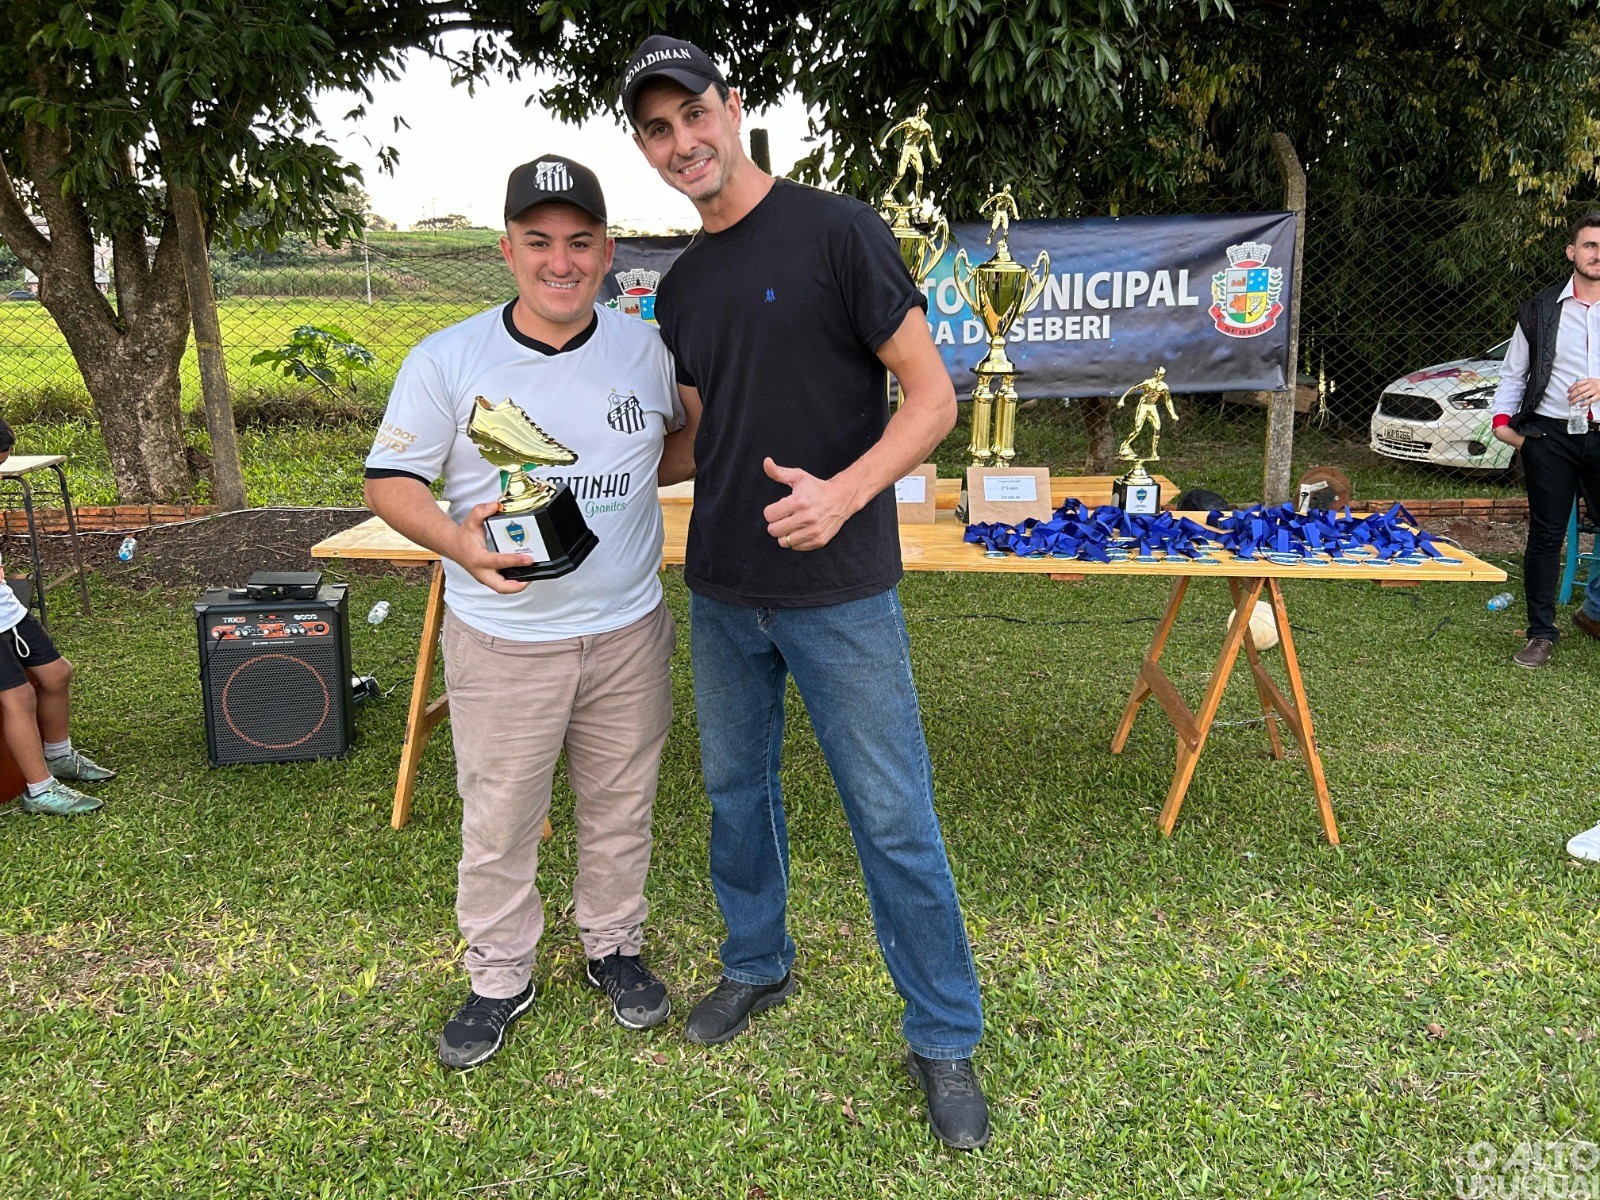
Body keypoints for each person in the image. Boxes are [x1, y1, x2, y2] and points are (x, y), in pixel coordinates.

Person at [622, 35, 990, 1150]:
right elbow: (692, 442)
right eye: (657, 128)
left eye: (694, 114)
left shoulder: (838, 231)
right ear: (645, 148)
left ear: (731, 110)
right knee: (737, 799)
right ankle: (756, 965)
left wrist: (842, 494)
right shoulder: (679, 288)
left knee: (892, 816)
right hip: (724, 589)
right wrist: (572, 462)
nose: (682, 141)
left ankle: (943, 1034)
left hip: (838, 589)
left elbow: (931, 400)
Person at [363, 155, 689, 1069]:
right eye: (539, 241)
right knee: (500, 817)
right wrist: (462, 544)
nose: (560, 261)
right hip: (505, 640)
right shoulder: (450, 357)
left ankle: (613, 945)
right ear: (506, 249)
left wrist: (620, 488)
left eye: (579, 242)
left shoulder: (644, 347)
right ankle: (500, 973)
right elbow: (391, 481)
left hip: (628, 628)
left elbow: (674, 441)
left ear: (607, 251)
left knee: (621, 802)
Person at [1490, 210, 1600, 669]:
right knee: (1545, 536)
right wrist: (1501, 425)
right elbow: (1514, 374)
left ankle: (1593, 613)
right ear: (1572, 252)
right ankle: (1540, 633)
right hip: (1550, 434)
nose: (1598, 254)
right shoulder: (1539, 310)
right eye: (1590, 245)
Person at [0, 418, 115, 816]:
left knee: (56, 673)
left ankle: (59, 755)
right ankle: (39, 789)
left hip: (4, 608)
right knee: (18, 695)